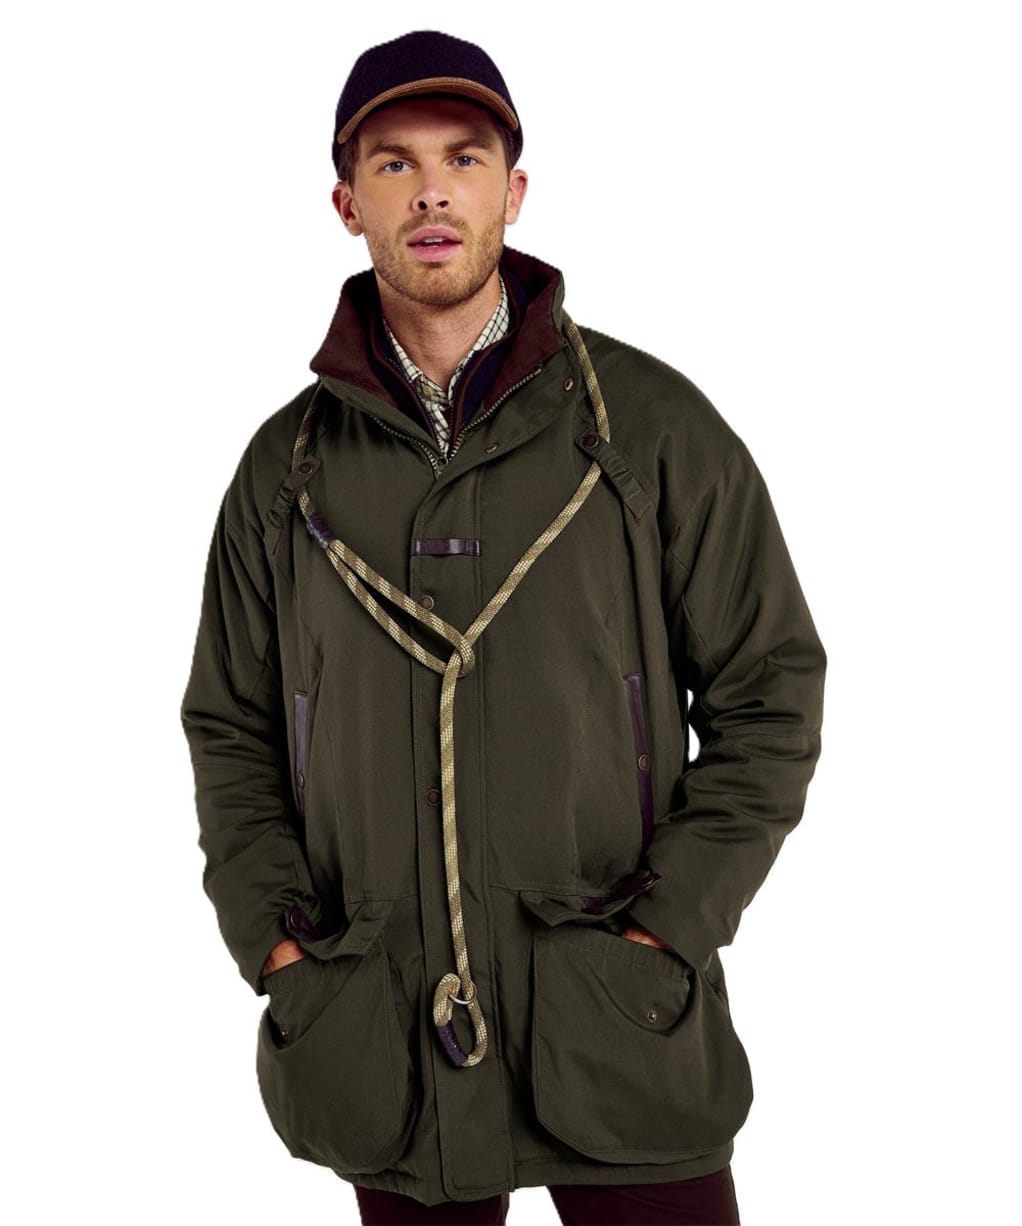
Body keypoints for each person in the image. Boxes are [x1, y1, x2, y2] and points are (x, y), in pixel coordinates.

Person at [180, 28, 826, 1226]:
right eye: (393, 163)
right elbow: (229, 725)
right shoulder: (286, 472)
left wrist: (667, 927)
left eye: (463, 158)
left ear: (512, 192)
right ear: (346, 203)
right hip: (382, 1028)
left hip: (618, 1019)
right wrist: (279, 945)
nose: (431, 190)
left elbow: (768, 689)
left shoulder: (649, 431)